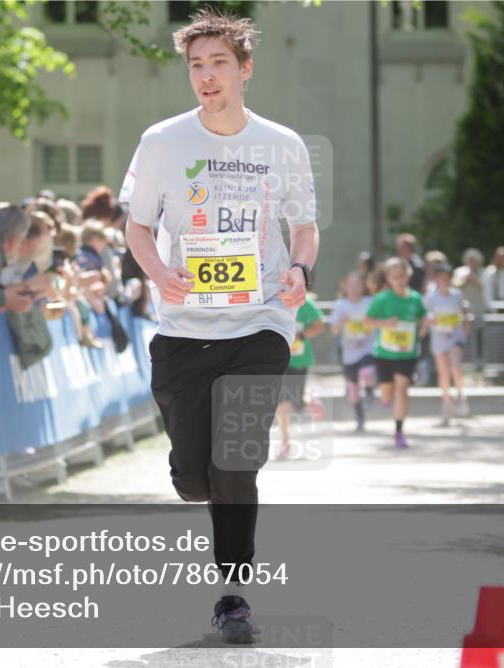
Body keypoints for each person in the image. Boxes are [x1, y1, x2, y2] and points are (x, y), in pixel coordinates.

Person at [120, 8, 318, 644]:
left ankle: (234, 596)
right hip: (183, 329)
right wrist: (158, 272)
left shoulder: (282, 145)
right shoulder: (162, 142)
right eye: (196, 65)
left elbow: (304, 227)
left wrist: (301, 272)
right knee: (192, 477)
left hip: (261, 322)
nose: (206, 76)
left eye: (219, 64)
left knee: (236, 460)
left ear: (245, 69)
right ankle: (199, 483)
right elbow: (137, 226)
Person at [364, 258, 427, 449]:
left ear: (408, 276)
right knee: (387, 392)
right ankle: (384, 396)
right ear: (388, 279)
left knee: (402, 389)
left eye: (402, 276)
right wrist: (385, 324)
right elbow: (367, 321)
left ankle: (399, 431)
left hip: (407, 353)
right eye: (394, 277)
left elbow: (423, 317)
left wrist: (423, 328)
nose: (399, 280)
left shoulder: (415, 299)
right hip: (384, 353)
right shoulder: (382, 299)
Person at [275, 295, 325, 459]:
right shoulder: (272, 301)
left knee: (295, 404)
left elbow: (319, 326)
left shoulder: (305, 302)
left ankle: (307, 402)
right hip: (279, 360)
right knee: (282, 403)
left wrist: (301, 336)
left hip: (299, 360)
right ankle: (285, 443)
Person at [330, 271, 376, 432]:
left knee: (367, 372)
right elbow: (334, 331)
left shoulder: (370, 302)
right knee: (353, 389)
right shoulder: (341, 305)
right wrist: (342, 322)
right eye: (350, 285)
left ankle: (370, 392)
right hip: (349, 352)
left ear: (363, 287)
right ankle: (359, 416)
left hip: (368, 349)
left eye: (357, 285)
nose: (354, 288)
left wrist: (371, 326)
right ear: (345, 287)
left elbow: (379, 321)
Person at [425, 264, 471, 425]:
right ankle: (446, 403)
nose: (445, 281)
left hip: (455, 337)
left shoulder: (457, 295)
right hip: (439, 339)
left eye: (447, 278)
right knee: (443, 373)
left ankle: (460, 396)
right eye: (441, 278)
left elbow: (465, 312)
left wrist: (465, 327)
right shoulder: (430, 298)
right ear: (436, 279)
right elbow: (425, 317)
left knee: (455, 366)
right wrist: (432, 322)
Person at [452, 248, 486, 375]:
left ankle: (479, 364)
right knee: (463, 339)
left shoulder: (484, 272)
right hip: (463, 313)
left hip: (478, 311)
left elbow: (485, 287)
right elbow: (454, 286)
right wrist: (466, 280)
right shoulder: (459, 272)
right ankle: (463, 364)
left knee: (479, 338)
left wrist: (474, 279)